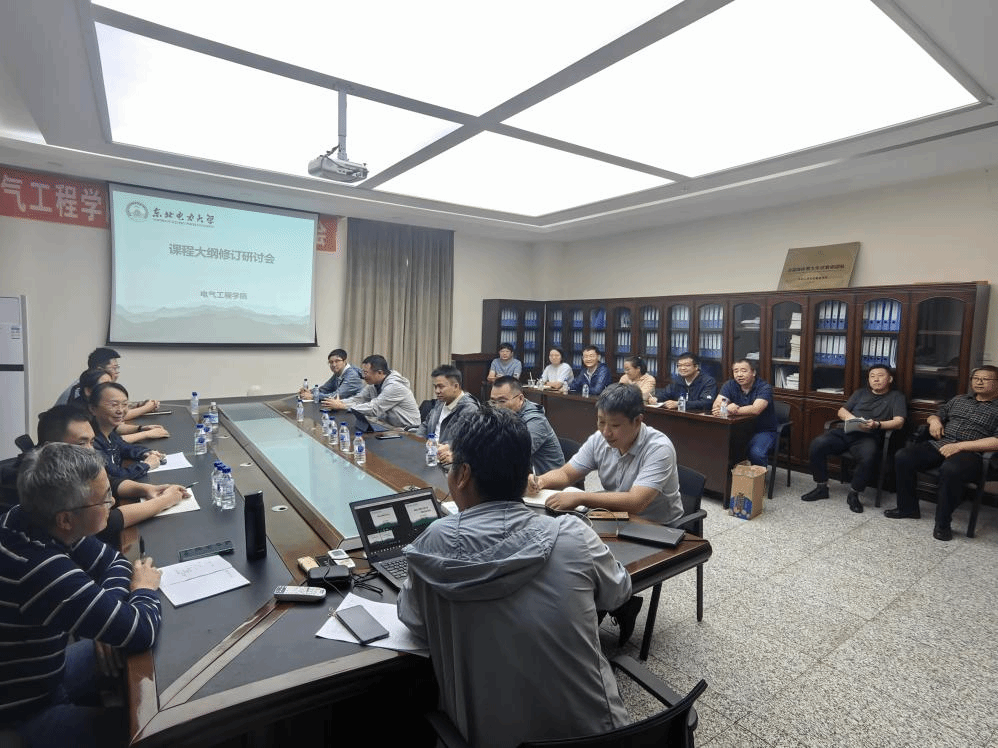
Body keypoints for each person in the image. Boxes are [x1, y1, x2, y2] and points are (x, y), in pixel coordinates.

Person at [397, 407, 631, 748]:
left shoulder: (430, 545)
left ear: (462, 475)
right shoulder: (574, 534)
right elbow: (618, 592)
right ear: (526, 477)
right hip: (601, 738)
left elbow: (414, 621)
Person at [0, 443, 162, 746]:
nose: (112, 503)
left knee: (120, 650)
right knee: (149, 732)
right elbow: (141, 630)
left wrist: (106, 612)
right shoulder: (41, 568)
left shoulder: (31, 517)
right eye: (104, 499)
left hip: (45, 671)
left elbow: (115, 562)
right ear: (66, 519)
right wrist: (143, 588)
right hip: (26, 710)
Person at [530, 383, 683, 525]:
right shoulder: (599, 439)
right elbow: (567, 474)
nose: (606, 432)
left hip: (657, 526)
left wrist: (580, 497)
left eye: (615, 425)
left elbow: (636, 502)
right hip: (615, 516)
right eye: (601, 422)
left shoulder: (659, 448)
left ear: (637, 421)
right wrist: (540, 481)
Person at [37, 405, 188, 547]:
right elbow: (105, 522)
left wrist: (145, 489)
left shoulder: (68, 467)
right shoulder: (46, 482)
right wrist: (165, 501)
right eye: (82, 444)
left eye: (92, 442)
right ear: (51, 447)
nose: (91, 451)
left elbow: (109, 481)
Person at [885, 366, 998, 541]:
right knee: (904, 456)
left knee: (950, 469)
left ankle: (942, 523)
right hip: (942, 443)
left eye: (985, 379)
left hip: (974, 452)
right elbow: (935, 414)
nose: (979, 382)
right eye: (976, 378)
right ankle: (908, 508)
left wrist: (961, 446)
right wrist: (935, 422)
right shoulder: (959, 399)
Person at [801, 366, 906, 513]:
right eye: (872, 376)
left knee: (868, 457)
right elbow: (842, 411)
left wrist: (877, 424)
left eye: (880, 376)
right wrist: (854, 420)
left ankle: (854, 494)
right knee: (817, 444)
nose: (876, 379)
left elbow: (899, 422)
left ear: (890, 379)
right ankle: (821, 487)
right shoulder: (860, 393)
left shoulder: (897, 397)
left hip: (869, 435)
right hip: (846, 431)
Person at [88, 382, 166, 482]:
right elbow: (113, 476)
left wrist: (145, 453)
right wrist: (146, 465)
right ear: (93, 409)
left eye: (125, 404)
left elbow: (123, 447)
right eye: (114, 405)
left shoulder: (109, 432)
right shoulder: (90, 441)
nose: (120, 410)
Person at [490, 376, 565, 473]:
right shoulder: (506, 414)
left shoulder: (536, 421)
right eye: (493, 401)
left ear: (520, 399)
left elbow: (514, 456)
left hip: (547, 478)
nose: (496, 407)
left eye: (502, 401)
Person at [325, 354, 421, 429]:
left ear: (379, 372)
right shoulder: (374, 384)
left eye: (366, 373)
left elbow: (374, 408)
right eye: (362, 372)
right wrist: (338, 403)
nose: (363, 376)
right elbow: (358, 399)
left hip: (407, 430)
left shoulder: (395, 386)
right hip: (388, 426)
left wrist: (343, 406)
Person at [713, 359, 778, 466]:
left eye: (743, 371)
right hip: (738, 429)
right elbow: (716, 406)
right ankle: (730, 475)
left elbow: (755, 409)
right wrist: (726, 408)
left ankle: (758, 476)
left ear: (753, 372)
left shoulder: (764, 387)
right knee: (717, 447)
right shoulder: (730, 385)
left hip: (762, 430)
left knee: (756, 454)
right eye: (736, 371)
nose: (739, 375)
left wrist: (729, 411)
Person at [412, 365, 480, 462]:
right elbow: (425, 425)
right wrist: (416, 441)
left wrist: (447, 447)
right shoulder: (441, 402)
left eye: (441, 387)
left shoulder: (469, 409)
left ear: (456, 386)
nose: (437, 391)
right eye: (435, 387)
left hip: (447, 459)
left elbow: (467, 440)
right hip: (429, 453)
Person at [650, 353, 717, 411]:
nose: (682, 368)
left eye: (687, 365)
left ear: (696, 367)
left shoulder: (708, 381)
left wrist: (679, 404)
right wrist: (656, 398)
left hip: (699, 417)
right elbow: (665, 394)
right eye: (679, 365)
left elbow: (706, 403)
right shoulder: (678, 380)